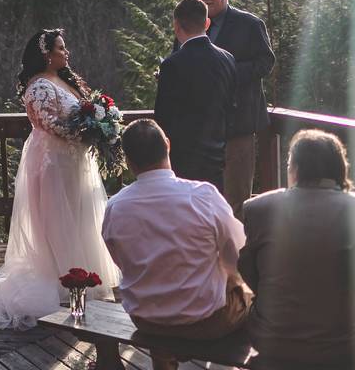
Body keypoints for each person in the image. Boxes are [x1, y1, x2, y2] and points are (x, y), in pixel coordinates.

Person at [0, 28, 121, 330]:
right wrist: (87, 131)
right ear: (47, 54)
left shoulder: (65, 80)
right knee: (57, 221)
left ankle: (83, 279)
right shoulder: (37, 87)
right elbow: (49, 124)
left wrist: (100, 124)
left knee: (79, 217)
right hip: (52, 163)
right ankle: (62, 280)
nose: (66, 52)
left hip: (73, 162)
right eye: (61, 48)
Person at [102, 119, 250, 370]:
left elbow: (121, 260)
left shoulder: (115, 206)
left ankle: (164, 363)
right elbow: (239, 252)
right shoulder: (202, 195)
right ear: (167, 146)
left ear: (128, 161)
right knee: (250, 294)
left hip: (146, 320)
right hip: (207, 322)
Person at [238, 130, 355, 370]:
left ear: (294, 167)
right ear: (340, 168)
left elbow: (250, 271)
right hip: (343, 343)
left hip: (271, 339)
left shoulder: (258, 207)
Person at [195, 0, 275, 215]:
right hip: (203, 126)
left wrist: (227, 73)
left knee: (236, 196)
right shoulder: (194, 24)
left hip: (238, 124)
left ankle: (237, 251)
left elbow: (265, 62)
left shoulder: (249, 24)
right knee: (204, 197)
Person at [155, 0, 237, 190]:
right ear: (207, 23)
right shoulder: (228, 59)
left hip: (182, 159)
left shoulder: (172, 65)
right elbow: (231, 107)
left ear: (176, 26)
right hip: (217, 156)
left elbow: (163, 116)